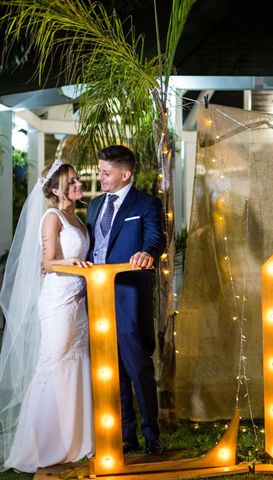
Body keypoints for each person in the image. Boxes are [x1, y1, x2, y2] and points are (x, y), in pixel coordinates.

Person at [0, 160, 94, 473]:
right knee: (53, 367)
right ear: (55, 190)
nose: (78, 185)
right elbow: (48, 263)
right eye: (71, 182)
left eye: (78, 180)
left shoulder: (76, 218)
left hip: (78, 301)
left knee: (75, 366)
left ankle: (73, 440)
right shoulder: (51, 217)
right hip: (58, 302)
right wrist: (72, 262)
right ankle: (39, 445)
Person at [86, 145, 165, 455]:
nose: (100, 177)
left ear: (125, 174)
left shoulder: (146, 204)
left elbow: (155, 237)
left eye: (106, 173)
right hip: (97, 297)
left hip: (129, 296)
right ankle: (126, 434)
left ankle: (152, 436)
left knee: (138, 368)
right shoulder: (93, 206)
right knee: (112, 370)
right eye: (100, 171)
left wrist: (148, 252)